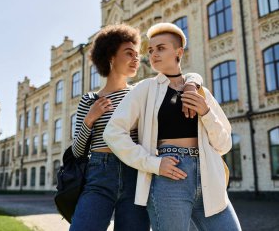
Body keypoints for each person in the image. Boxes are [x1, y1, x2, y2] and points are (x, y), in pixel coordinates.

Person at [103, 22, 242, 231]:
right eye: (150, 50)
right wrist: (153, 163)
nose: (153, 54)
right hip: (169, 176)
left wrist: (205, 112)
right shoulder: (145, 89)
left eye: (160, 48)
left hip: (209, 177)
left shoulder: (200, 92)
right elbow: (112, 132)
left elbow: (224, 145)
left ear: (178, 52)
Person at [69, 23, 203, 231]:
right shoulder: (89, 100)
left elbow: (184, 75)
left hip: (137, 174)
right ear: (110, 56)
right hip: (99, 175)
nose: (136, 59)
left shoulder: (142, 92)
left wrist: (192, 83)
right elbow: (77, 151)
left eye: (137, 54)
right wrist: (89, 119)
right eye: (129, 53)